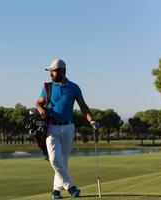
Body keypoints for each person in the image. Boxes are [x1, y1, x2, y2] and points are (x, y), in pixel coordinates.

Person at [36, 59, 99, 199]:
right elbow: (38, 103)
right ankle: (71, 187)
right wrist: (40, 110)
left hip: (69, 127)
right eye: (50, 71)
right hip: (52, 127)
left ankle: (56, 191)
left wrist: (91, 120)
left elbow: (83, 106)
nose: (50, 73)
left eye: (53, 71)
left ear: (62, 71)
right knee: (54, 159)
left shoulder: (74, 87)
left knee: (63, 161)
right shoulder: (48, 87)